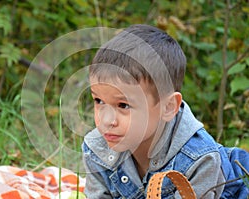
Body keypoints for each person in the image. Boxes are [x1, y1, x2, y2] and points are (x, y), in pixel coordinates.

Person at [81, 24, 249, 198]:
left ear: (168, 107)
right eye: (99, 101)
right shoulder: (96, 149)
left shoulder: (199, 159)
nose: (107, 120)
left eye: (123, 105)